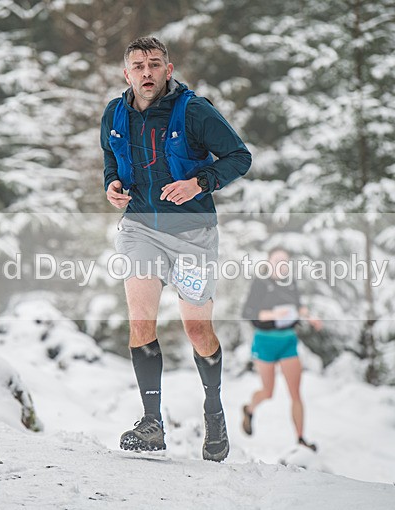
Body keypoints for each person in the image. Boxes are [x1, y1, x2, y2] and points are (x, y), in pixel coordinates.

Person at [101, 36, 251, 461]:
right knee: (140, 321)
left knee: (197, 331)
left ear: (168, 69)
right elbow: (110, 159)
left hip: (191, 235)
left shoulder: (195, 111)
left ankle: (214, 410)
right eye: (137, 66)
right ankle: (152, 423)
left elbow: (239, 157)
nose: (146, 72)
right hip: (140, 229)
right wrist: (111, 185)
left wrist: (199, 182)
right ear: (126, 74)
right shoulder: (114, 113)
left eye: (154, 64)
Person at [241, 247, 322, 451]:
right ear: (269, 263)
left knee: (295, 393)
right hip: (265, 341)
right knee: (268, 392)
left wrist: (309, 316)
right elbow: (248, 313)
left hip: (288, 341)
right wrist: (272, 315)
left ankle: (301, 439)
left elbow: (298, 306)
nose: (281, 265)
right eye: (277, 261)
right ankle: (249, 410)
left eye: (285, 261)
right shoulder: (260, 284)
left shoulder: (291, 283)